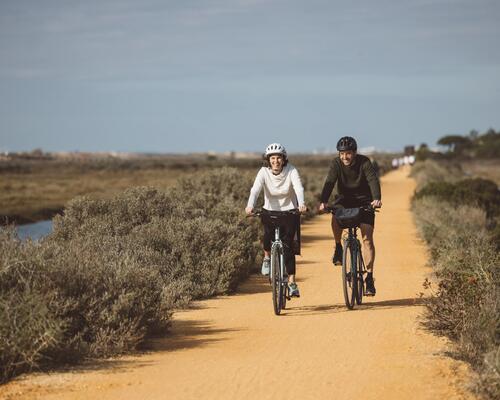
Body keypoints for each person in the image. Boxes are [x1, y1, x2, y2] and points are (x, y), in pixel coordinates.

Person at [318, 136, 382, 296]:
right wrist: (323, 201)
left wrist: (376, 198)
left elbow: (373, 179)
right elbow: (330, 181)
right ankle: (339, 246)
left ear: (354, 153)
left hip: (364, 201)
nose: (344, 157)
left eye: (348, 154)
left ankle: (369, 278)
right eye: (341, 154)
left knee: (367, 239)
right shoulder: (336, 164)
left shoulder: (364, 162)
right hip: (344, 200)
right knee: (335, 218)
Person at [245, 143, 307, 298]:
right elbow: (255, 190)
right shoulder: (263, 172)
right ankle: (267, 258)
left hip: (289, 212)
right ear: (268, 160)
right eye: (272, 158)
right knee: (267, 236)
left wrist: (302, 204)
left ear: (283, 159)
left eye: (278, 157)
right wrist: (250, 205)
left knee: (288, 247)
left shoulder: (291, 170)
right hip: (270, 211)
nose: (276, 161)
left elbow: (299, 188)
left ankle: (292, 282)